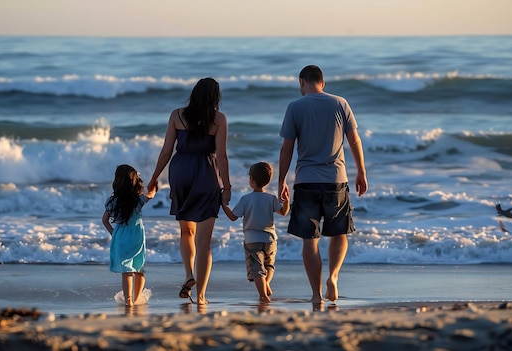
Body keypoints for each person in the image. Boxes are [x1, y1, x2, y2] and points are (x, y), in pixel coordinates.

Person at [278, 65, 368, 305]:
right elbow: (354, 140)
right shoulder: (341, 103)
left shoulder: (295, 107)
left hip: (306, 181)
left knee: (310, 239)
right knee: (339, 233)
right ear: (323, 82)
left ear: (301, 82)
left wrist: (281, 181)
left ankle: (316, 294)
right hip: (336, 180)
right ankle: (334, 277)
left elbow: (287, 149)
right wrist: (361, 172)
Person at [147, 77, 231, 306]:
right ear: (215, 97)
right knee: (205, 242)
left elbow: (166, 151)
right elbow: (221, 155)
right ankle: (202, 296)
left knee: (187, 232)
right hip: (205, 173)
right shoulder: (219, 119)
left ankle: (188, 275)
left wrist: (154, 178)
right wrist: (227, 186)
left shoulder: (177, 115)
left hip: (180, 172)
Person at [221, 161, 290, 303]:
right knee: (269, 266)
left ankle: (263, 295)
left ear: (251, 180)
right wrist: (287, 201)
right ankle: (266, 285)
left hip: (252, 239)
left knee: (257, 269)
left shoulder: (246, 199)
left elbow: (233, 217)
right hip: (270, 239)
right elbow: (283, 212)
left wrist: (222, 204)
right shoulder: (271, 198)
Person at [102, 164, 156, 307]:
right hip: (137, 237)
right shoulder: (138, 200)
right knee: (139, 269)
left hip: (120, 237)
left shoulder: (112, 201)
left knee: (126, 271)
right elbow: (151, 194)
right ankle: (137, 298)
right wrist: (154, 184)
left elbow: (104, 220)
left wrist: (114, 234)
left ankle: (129, 301)